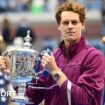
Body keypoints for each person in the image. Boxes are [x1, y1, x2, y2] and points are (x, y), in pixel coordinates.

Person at [0, 1, 105, 105]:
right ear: (59, 26)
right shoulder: (52, 57)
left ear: (82, 25)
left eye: (74, 22)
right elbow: (32, 99)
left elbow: (84, 100)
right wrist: (12, 76)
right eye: (65, 22)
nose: (70, 26)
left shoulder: (95, 57)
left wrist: (55, 71)